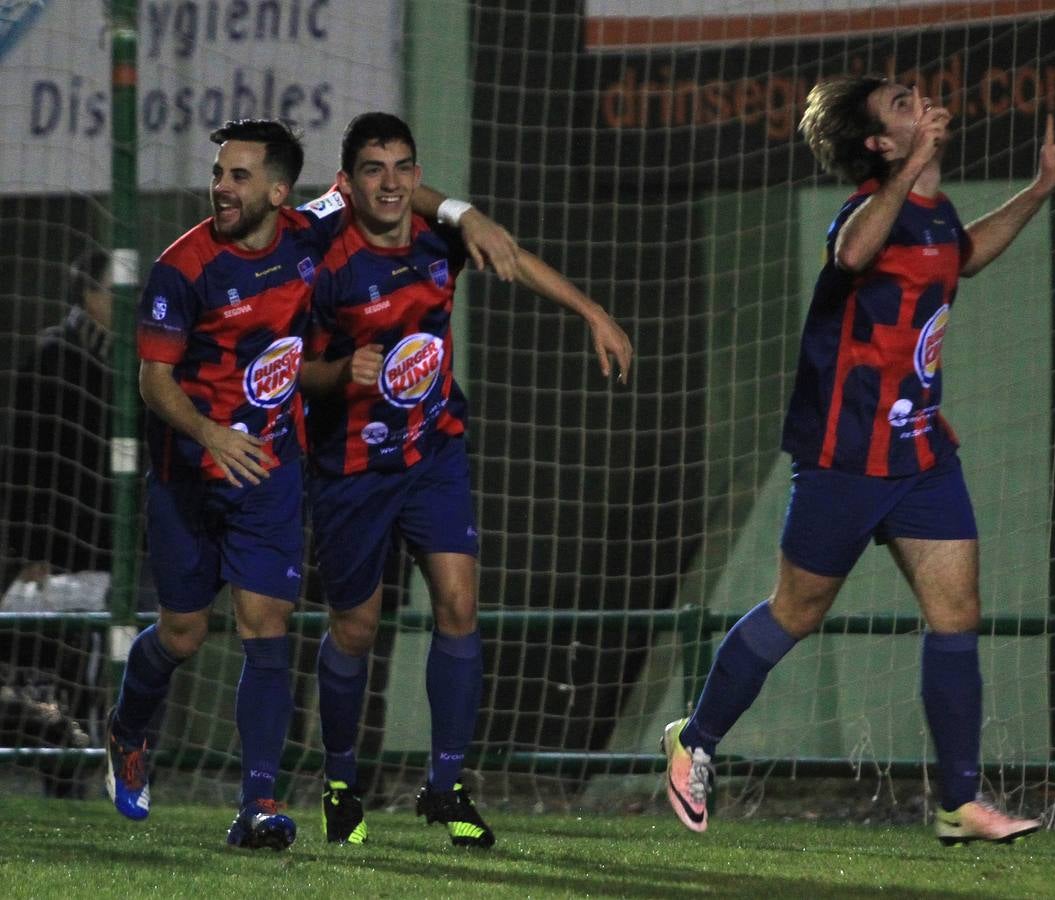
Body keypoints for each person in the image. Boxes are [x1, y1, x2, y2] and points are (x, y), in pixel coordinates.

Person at [661, 76, 1055, 844]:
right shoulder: (865, 213)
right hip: (845, 455)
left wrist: (1039, 186)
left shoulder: (934, 213)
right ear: (880, 145)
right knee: (797, 612)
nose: (920, 100)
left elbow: (966, 253)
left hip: (920, 451)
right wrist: (906, 166)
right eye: (900, 105)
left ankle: (958, 803)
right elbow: (852, 251)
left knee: (956, 615)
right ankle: (695, 740)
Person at [104, 116, 522, 850]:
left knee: (267, 628)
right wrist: (209, 433)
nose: (221, 188)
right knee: (183, 632)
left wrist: (466, 213)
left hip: (270, 471)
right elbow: (153, 379)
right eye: (218, 175)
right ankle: (128, 728)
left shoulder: (310, 230)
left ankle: (258, 807)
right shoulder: (184, 266)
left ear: (276, 189)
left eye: (238, 177)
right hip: (191, 474)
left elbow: (400, 192)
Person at [300, 112, 632, 848]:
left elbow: (510, 255)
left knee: (458, 604)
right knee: (355, 628)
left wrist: (591, 312)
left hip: (433, 454)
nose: (391, 183)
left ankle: (446, 787)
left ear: (417, 176)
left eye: (403, 168)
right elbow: (285, 364)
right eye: (373, 170)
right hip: (350, 468)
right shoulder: (320, 255)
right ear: (347, 181)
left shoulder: (440, 239)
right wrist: (332, 374)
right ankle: (339, 781)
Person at [2, 249, 114, 587]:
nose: (133, 302)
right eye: (119, 291)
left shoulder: (132, 361)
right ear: (90, 295)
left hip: (121, 542)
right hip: (63, 546)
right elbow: (24, 463)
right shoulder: (52, 358)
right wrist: (29, 552)